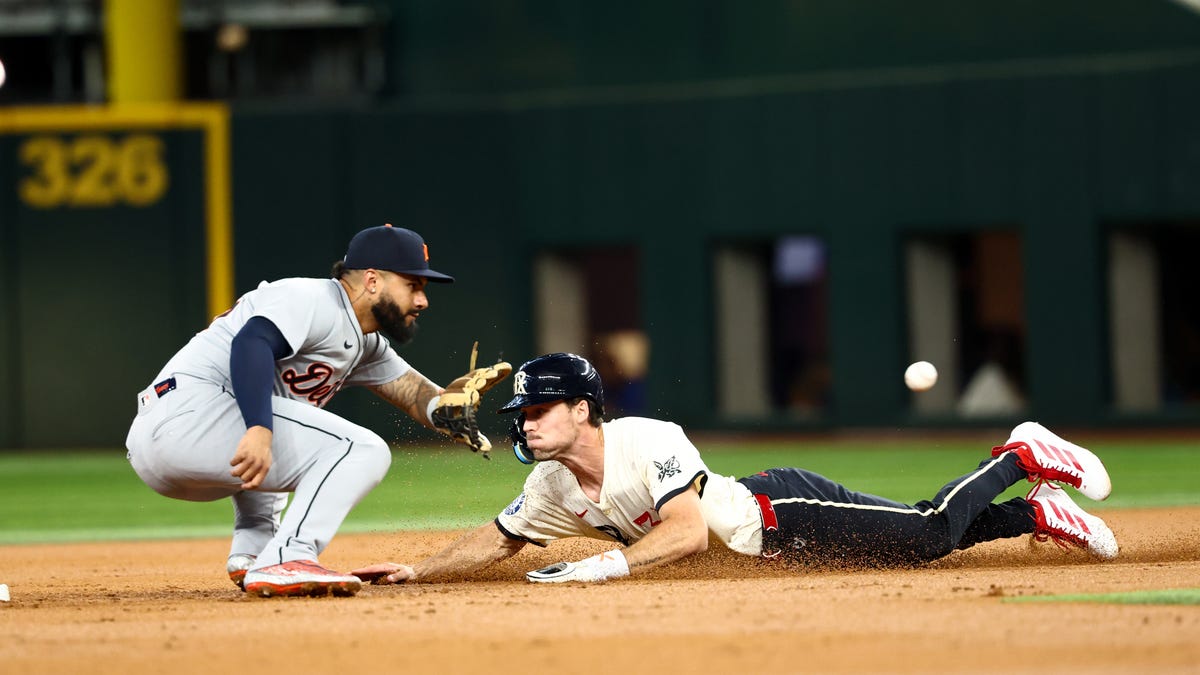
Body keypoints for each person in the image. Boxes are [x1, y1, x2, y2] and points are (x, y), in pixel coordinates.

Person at [352, 352, 1117, 585]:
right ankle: (1039, 512)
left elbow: (685, 533)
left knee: (925, 531)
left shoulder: (647, 436)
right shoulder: (549, 484)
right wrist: (419, 572)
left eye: (539, 409)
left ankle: (1019, 454)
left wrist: (603, 568)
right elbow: (498, 537)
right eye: (521, 414)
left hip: (785, 510)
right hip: (772, 539)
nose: (524, 421)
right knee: (921, 547)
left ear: (583, 409)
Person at [125, 224, 510, 597]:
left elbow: (412, 393)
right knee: (359, 449)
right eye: (413, 285)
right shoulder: (311, 299)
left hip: (183, 444)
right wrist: (259, 429)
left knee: (291, 424)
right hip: (187, 416)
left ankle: (256, 552)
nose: (423, 300)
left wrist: (448, 409)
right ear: (372, 280)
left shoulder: (364, 341)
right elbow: (252, 343)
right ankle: (288, 557)